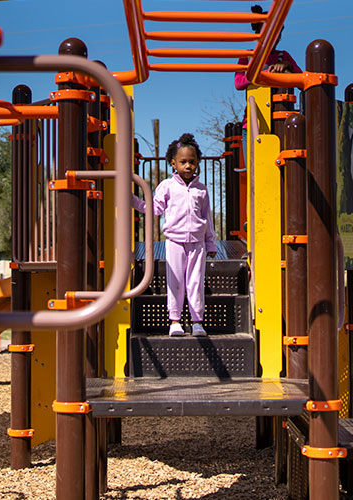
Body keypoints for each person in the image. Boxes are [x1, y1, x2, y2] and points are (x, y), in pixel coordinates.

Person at [133, 133, 217, 337]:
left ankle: (197, 321)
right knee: (176, 281)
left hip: (197, 244)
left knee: (195, 282)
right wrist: (134, 201)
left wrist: (211, 244)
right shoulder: (167, 187)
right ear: (173, 163)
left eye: (192, 162)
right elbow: (154, 208)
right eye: (183, 162)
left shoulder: (201, 190)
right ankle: (175, 321)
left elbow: (208, 219)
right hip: (175, 243)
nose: (188, 166)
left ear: (197, 163)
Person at [233, 4, 302, 91]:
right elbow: (238, 83)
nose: (272, 37)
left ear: (280, 36)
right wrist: (267, 73)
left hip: (281, 102)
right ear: (257, 34)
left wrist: (288, 65)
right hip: (256, 102)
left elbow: (301, 80)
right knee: (252, 101)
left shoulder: (283, 56)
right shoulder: (248, 57)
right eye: (267, 33)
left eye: (277, 33)